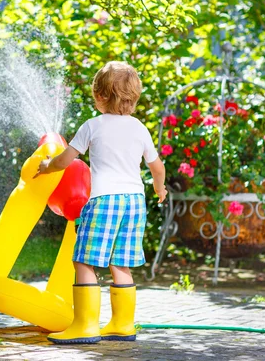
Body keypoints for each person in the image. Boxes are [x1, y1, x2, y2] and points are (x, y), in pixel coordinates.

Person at [34, 61, 167, 344]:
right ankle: (122, 324)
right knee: (121, 262)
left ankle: (85, 325)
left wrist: (46, 166)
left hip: (104, 200)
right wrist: (160, 189)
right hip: (134, 203)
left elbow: (65, 161)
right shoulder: (140, 128)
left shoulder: (92, 126)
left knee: (84, 259)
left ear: (100, 96)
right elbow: (157, 168)